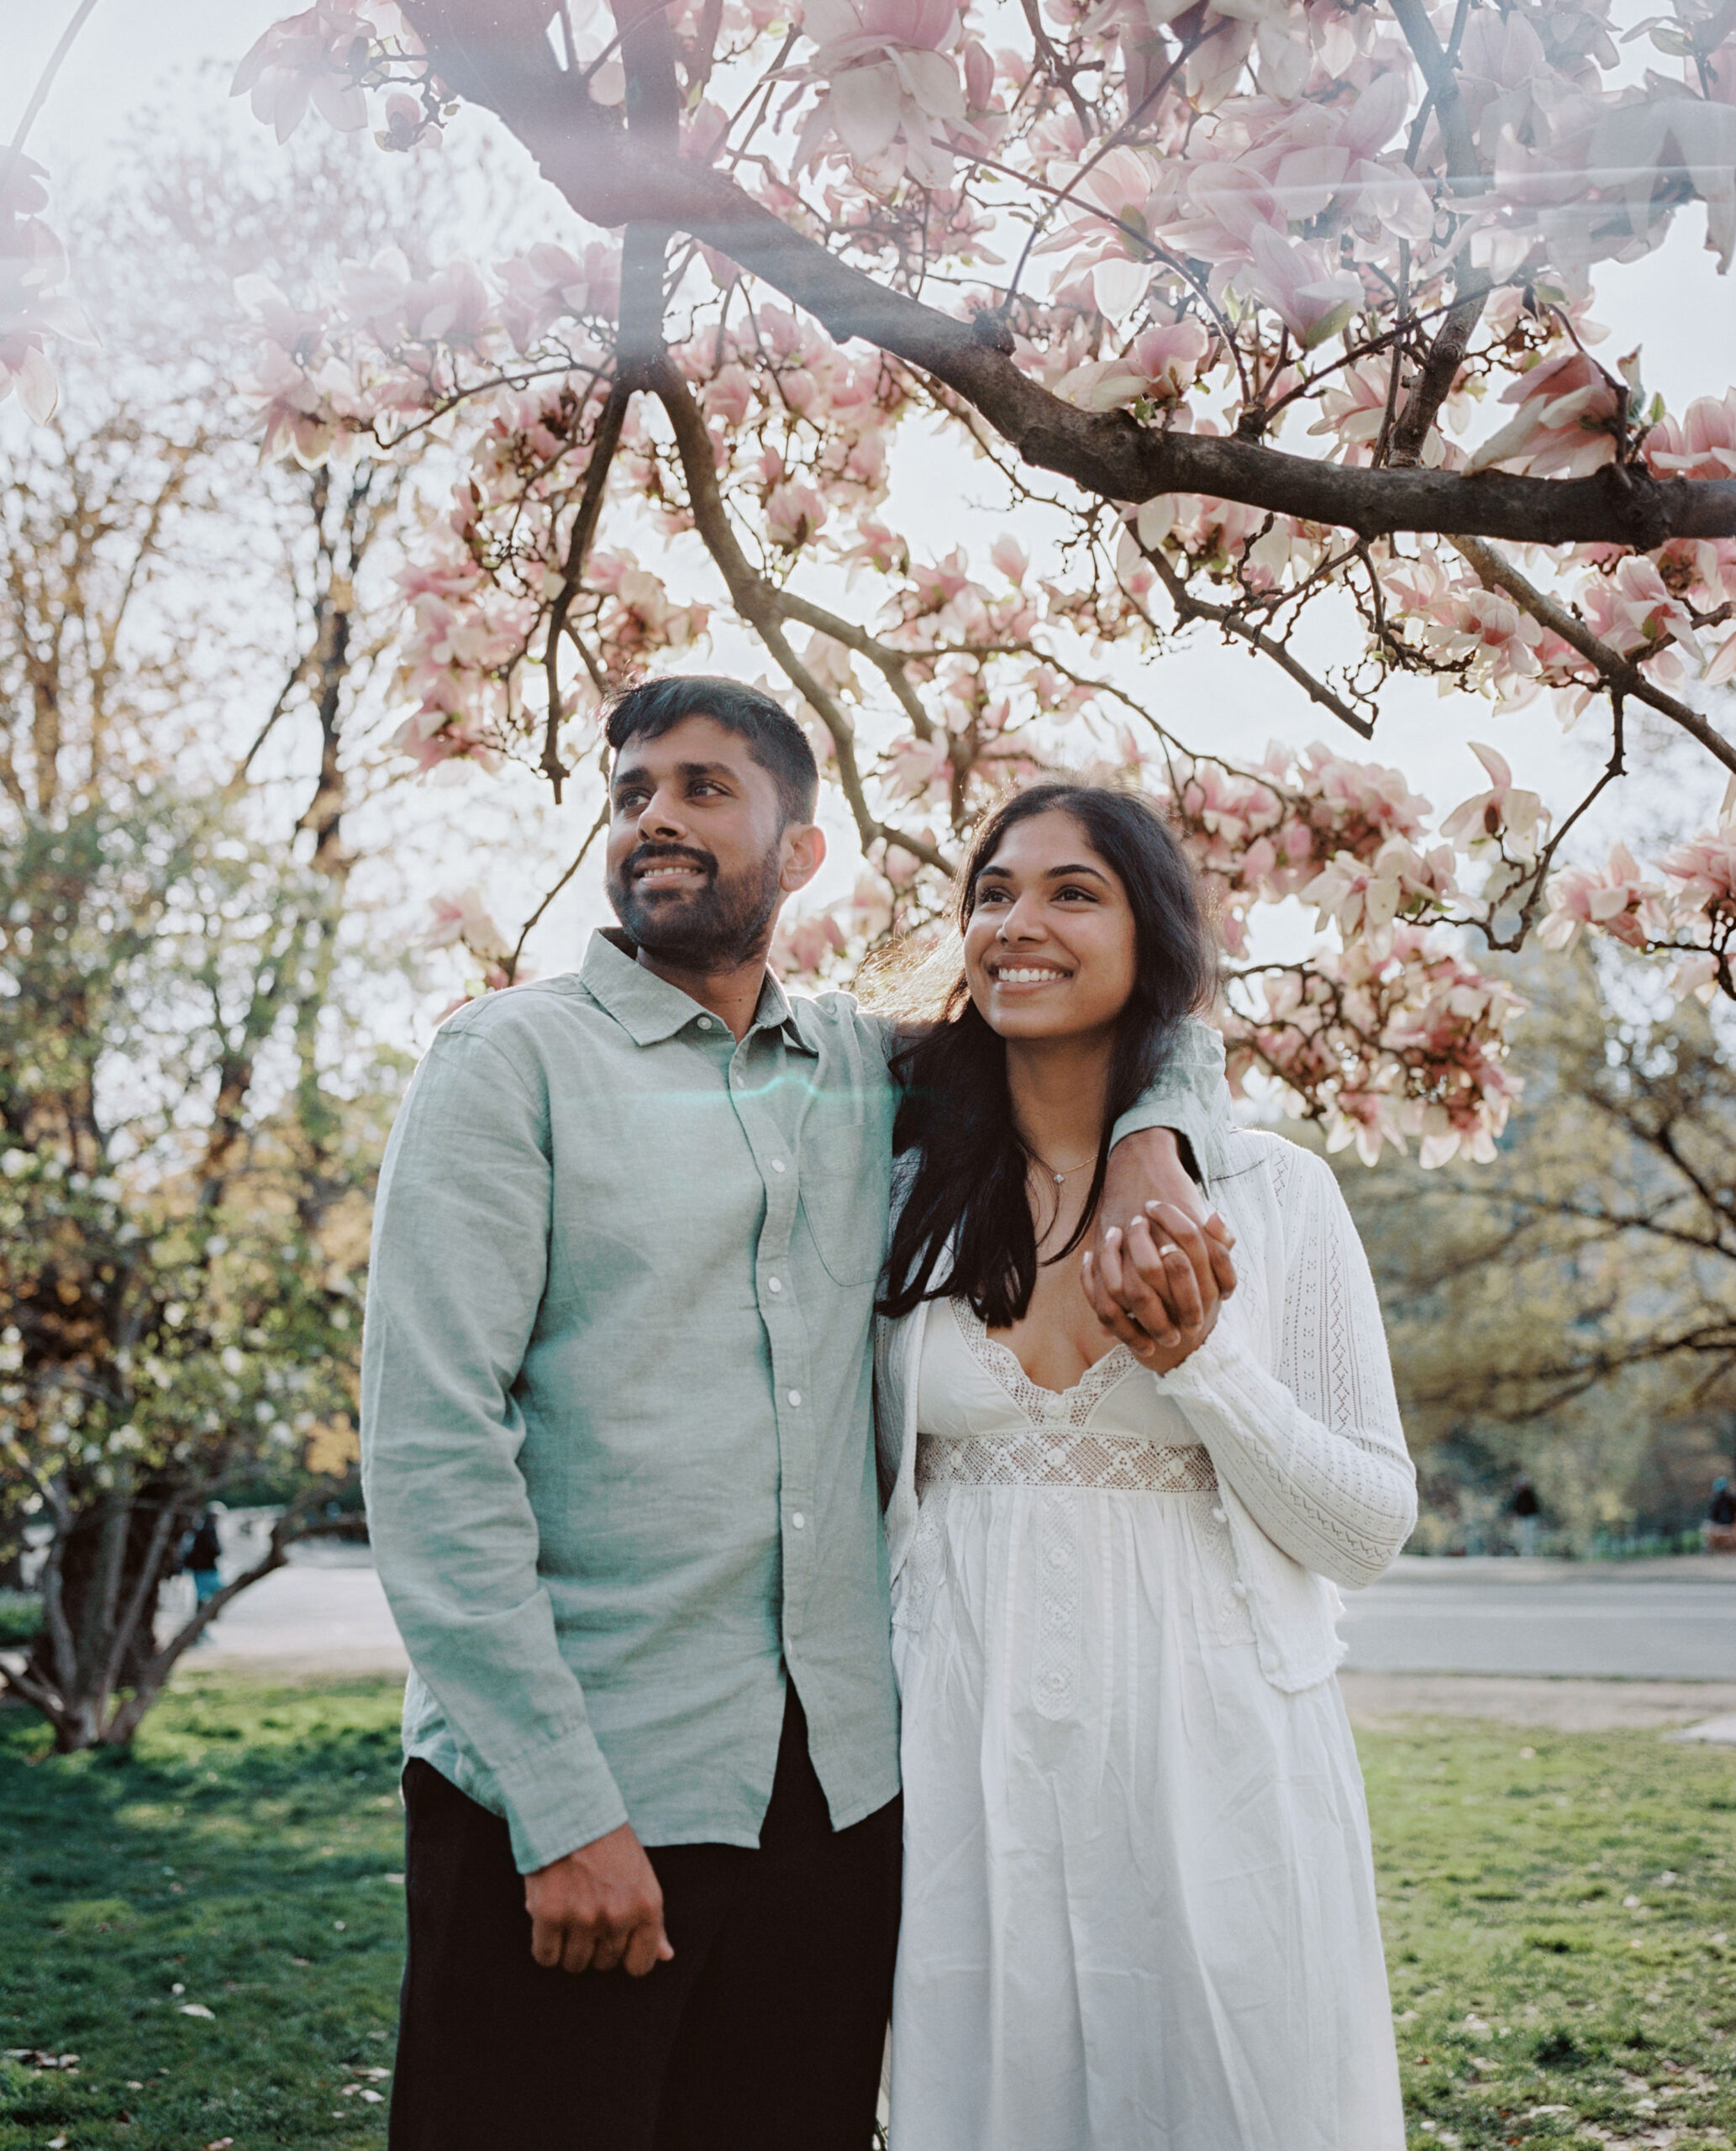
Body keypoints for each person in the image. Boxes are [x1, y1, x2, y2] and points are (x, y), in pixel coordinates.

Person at [360, 679, 1234, 2151]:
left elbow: (1124, 1015)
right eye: (633, 789)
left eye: (705, 788)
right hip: (581, 1802)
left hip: (830, 1818)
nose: (657, 819)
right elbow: (433, 1456)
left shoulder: (864, 1073)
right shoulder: (508, 1066)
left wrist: (1156, 1145)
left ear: (803, 850)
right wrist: (561, 1810)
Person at [876, 782, 1418, 2151]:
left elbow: (1365, 1527)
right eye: (993, 890)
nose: (1018, 922)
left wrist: (1202, 1366)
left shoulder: (1275, 1196)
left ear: (1149, 933)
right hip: (956, 1747)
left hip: (1214, 1747)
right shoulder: (889, 1189)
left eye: (1073, 891)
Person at [1510, 1473, 1542, 1558]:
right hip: (1522, 1519)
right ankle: (1524, 1552)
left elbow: (1535, 1507)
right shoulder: (1518, 1495)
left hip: (1531, 1518)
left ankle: (1530, 1552)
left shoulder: (1530, 1494)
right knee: (1523, 1535)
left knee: (1530, 1535)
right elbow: (1516, 1507)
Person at [1707, 1475, 1736, 1554]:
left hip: (1731, 1525)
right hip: (1719, 1526)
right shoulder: (1716, 1501)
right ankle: (1711, 1550)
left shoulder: (1732, 1499)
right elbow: (1712, 1517)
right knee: (1709, 1529)